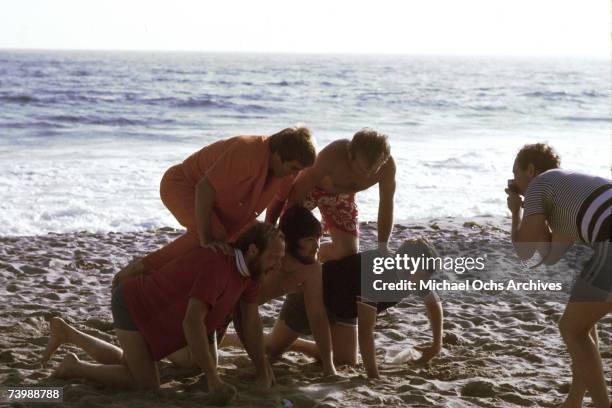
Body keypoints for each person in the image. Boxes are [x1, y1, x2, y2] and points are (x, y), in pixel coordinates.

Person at [41, 222, 284, 406]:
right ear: (253, 250)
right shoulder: (218, 266)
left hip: (161, 311)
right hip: (133, 304)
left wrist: (262, 368)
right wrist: (213, 379)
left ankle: (68, 333)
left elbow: (250, 322)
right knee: (145, 385)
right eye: (274, 257)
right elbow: (192, 323)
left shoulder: (251, 275)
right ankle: (73, 367)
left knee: (136, 364)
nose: (278, 266)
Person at [113, 125, 316, 285]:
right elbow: (204, 189)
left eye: (298, 171)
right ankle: (138, 270)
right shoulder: (247, 151)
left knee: (257, 244)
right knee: (212, 237)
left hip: (222, 208)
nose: (293, 175)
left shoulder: (287, 171)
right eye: (292, 168)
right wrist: (206, 237)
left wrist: (272, 233)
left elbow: (279, 202)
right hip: (183, 186)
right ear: (278, 154)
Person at [505, 143, 611, 408]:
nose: (516, 181)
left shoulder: (540, 183)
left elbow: (523, 251)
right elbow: (549, 256)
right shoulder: (566, 189)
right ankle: (574, 400)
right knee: (581, 324)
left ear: (531, 170)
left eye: (515, 174)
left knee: (571, 329)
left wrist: (516, 212)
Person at [264, 239, 444, 378]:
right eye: (424, 274)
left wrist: (436, 344)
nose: (426, 282)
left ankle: (296, 344)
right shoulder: (378, 274)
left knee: (345, 360)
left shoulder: (415, 277)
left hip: (345, 309)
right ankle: (238, 339)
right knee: (272, 349)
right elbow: (366, 330)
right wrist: (373, 376)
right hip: (314, 296)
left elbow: (433, 303)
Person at [219, 206, 337, 376]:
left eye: (319, 238)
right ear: (289, 241)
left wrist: (328, 365)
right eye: (310, 240)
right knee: (191, 362)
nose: (317, 246)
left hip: (238, 316)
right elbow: (240, 313)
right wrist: (260, 363)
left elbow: (317, 315)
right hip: (215, 308)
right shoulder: (267, 261)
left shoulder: (311, 268)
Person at [266, 128, 396, 262]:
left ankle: (316, 255)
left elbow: (386, 206)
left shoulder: (387, 168)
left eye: (373, 170)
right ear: (350, 155)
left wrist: (382, 247)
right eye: (361, 169)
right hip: (312, 189)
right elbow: (300, 190)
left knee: (347, 253)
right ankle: (268, 239)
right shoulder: (334, 153)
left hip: (343, 197)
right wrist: (287, 230)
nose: (366, 176)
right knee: (291, 242)